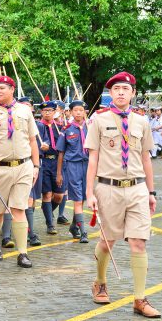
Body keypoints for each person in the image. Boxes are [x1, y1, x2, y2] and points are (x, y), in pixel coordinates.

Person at [85, 71, 161, 318]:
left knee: (139, 242)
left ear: (133, 93)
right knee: (108, 241)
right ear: (110, 92)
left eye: (125, 89)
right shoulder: (99, 120)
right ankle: (100, 282)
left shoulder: (142, 122)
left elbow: (146, 158)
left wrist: (151, 192)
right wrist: (89, 192)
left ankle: (140, 299)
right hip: (108, 187)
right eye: (116, 88)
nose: (120, 92)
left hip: (137, 188)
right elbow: (93, 158)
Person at [0, 75, 40, 268]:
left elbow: (32, 140)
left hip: (23, 166)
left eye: (2, 88)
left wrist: (36, 166)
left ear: (12, 89)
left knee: (19, 208)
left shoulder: (25, 110)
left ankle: (22, 253)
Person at [56, 100, 89, 243]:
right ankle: (83, 232)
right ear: (70, 112)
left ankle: (74, 226)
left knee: (83, 197)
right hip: (72, 165)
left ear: (85, 112)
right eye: (75, 110)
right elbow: (61, 153)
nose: (78, 113)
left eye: (81, 110)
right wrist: (59, 173)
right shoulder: (67, 129)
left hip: (87, 165)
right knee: (77, 198)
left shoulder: (90, 128)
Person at [38, 101, 67, 234]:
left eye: (50, 110)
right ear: (41, 112)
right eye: (45, 111)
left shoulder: (60, 127)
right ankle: (50, 224)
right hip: (44, 162)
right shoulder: (38, 127)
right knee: (47, 194)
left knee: (59, 195)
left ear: (55, 112)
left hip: (58, 162)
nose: (47, 113)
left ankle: (47, 210)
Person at [18, 96, 43, 247]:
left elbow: (36, 145)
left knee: (31, 200)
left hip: (32, 164)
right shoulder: (13, 123)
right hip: (17, 165)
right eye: (23, 105)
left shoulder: (38, 126)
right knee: (24, 201)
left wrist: (36, 166)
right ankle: (28, 232)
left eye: (29, 105)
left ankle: (28, 230)